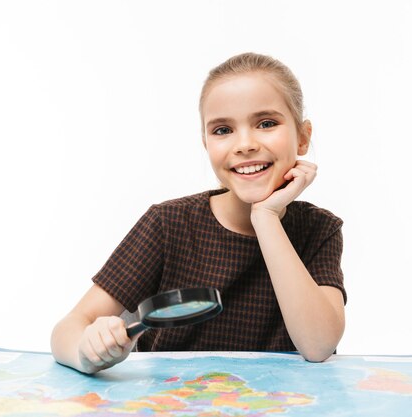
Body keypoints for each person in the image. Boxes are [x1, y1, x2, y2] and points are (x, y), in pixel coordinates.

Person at [51, 52, 346, 374]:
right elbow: (68, 329)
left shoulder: (320, 228)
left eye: (266, 123)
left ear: (303, 137)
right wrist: (86, 350)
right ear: (206, 143)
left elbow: (318, 346)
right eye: (222, 130)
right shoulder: (169, 223)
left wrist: (266, 218)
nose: (244, 144)